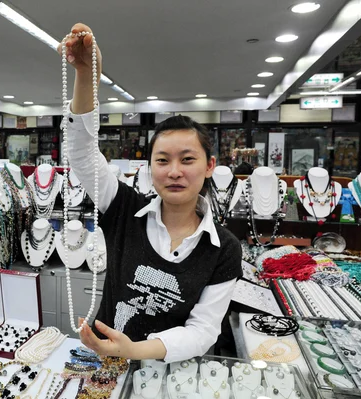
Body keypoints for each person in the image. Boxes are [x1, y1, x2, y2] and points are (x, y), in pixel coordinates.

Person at [60, 23, 242, 362]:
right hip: (104, 364)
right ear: (149, 167)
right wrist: (86, 74)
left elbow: (203, 330)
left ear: (209, 165)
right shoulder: (123, 208)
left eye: (187, 159)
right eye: (162, 160)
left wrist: (136, 350)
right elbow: (82, 152)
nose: (174, 171)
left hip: (172, 374)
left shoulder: (224, 249)